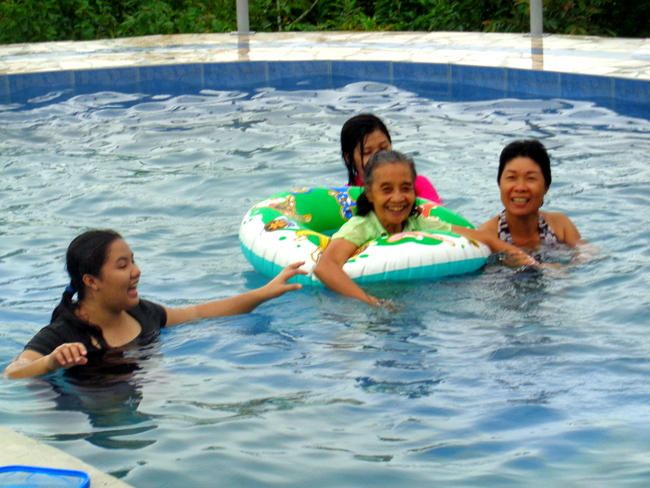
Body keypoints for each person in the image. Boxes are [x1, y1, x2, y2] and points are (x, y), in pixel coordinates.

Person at [4, 230, 306, 379]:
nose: (136, 271)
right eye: (122, 266)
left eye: (133, 261)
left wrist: (263, 293)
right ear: (91, 281)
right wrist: (51, 362)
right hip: (94, 403)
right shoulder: (66, 333)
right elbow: (13, 371)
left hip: (142, 390)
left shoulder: (140, 312)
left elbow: (199, 313)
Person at [314, 150, 538, 306]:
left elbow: (479, 237)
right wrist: (370, 302)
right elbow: (325, 268)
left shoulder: (418, 222)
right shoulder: (361, 227)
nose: (398, 198)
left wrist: (523, 259)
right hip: (360, 302)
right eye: (386, 189)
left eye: (406, 188)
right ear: (370, 193)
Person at [478, 140, 586, 251]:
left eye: (531, 178)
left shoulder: (559, 226)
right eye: (511, 177)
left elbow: (590, 256)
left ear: (546, 186)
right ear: (499, 183)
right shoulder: (486, 237)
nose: (520, 188)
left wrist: (559, 268)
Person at [340, 114, 444, 205]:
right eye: (367, 152)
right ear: (349, 158)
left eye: (384, 148)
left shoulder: (418, 184)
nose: (379, 156)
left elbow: (442, 221)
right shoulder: (345, 197)